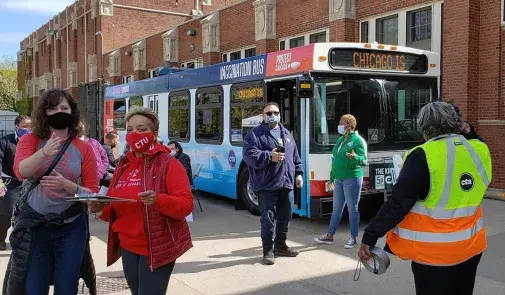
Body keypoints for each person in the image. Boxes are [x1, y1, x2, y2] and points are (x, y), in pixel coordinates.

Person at [357, 102, 491, 295]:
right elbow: (473, 137)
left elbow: (397, 204)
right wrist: (466, 128)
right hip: (471, 248)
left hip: (435, 256)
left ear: (424, 127)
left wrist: (370, 236)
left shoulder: (423, 155)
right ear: (456, 124)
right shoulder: (478, 150)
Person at [88, 106, 194, 295]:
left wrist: (158, 200)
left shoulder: (169, 164)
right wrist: (99, 208)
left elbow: (185, 205)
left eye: (141, 128)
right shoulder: (123, 164)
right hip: (127, 246)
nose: (134, 133)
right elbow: (112, 204)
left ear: (154, 133)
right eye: (129, 129)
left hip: (156, 246)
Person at [3, 88, 98, 294]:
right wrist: (44, 152)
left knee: (67, 286)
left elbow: (93, 192)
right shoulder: (31, 141)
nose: (58, 112)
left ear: (72, 112)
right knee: (34, 286)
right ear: (44, 113)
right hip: (35, 226)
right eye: (52, 108)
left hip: (71, 226)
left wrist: (70, 187)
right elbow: (21, 172)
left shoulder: (84, 148)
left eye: (64, 107)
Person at [242, 102, 304, 265]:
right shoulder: (255, 135)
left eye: (275, 112)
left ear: (279, 115)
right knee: (268, 220)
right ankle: (267, 251)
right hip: (267, 185)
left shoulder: (287, 134)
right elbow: (249, 155)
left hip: (286, 184)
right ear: (263, 116)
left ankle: (281, 246)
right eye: (268, 113)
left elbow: (295, 157)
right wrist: (269, 156)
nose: (272, 115)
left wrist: (298, 174)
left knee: (285, 217)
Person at [314, 114, 367, 248]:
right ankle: (330, 236)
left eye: (341, 122)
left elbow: (364, 160)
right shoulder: (341, 139)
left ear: (349, 125)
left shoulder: (358, 141)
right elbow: (335, 159)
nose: (338, 124)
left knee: (352, 209)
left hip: (352, 178)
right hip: (339, 179)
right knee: (336, 208)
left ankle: (353, 238)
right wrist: (332, 176)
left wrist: (355, 157)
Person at [0, 115, 32, 251]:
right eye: (25, 126)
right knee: (6, 211)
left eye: (30, 127)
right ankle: (1, 238)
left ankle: (25, 241)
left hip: (30, 182)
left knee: (30, 212)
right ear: (17, 127)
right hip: (12, 182)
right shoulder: (5, 141)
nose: (28, 129)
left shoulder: (34, 141)